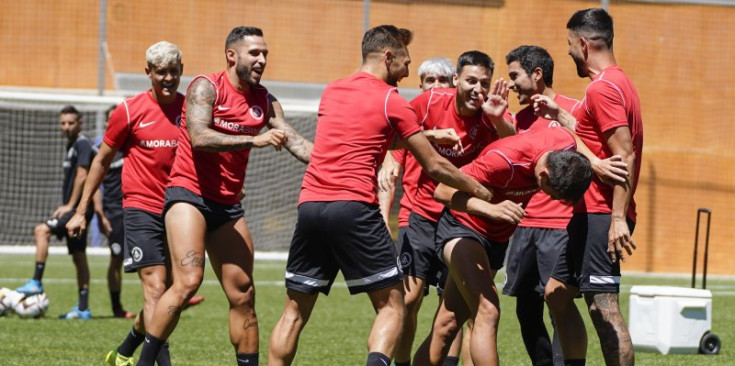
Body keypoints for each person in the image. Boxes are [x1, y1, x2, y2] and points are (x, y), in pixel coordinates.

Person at [267, 25, 495, 366]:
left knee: (295, 311)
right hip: (354, 208)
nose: (406, 72)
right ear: (388, 57)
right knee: (394, 306)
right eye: (405, 62)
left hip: (311, 205)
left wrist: (429, 133)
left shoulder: (333, 91)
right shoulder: (392, 100)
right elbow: (434, 166)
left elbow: (370, 137)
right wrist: (478, 188)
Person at [133, 27, 313, 366]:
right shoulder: (207, 87)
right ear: (232, 55)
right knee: (188, 281)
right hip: (189, 195)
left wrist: (344, 163)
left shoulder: (265, 100)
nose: (262, 60)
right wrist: (253, 140)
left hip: (228, 205)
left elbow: (294, 141)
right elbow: (200, 137)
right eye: (254, 53)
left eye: (265, 54)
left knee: (244, 293)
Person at [67, 41, 200, 366]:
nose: (168, 78)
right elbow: (101, 161)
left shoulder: (191, 111)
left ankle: (126, 349)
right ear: (148, 73)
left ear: (181, 70)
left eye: (173, 71)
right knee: (155, 291)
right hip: (141, 209)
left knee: (171, 297)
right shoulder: (128, 110)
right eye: (160, 72)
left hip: (180, 211)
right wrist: (81, 211)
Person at [414, 127, 594, 366]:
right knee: (488, 311)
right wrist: (492, 209)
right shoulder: (503, 160)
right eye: (552, 193)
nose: (550, 198)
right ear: (543, 176)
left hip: (496, 239)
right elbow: (443, 191)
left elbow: (571, 136)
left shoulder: (563, 142)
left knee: (447, 325)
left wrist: (596, 162)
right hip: (462, 228)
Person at [380, 50, 514, 366]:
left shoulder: (491, 114)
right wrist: (387, 160)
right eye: (470, 80)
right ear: (456, 81)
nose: (477, 89)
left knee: (458, 307)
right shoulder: (428, 103)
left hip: (463, 221)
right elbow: (388, 133)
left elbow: (515, 146)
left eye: (484, 82)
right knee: (408, 298)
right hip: (421, 213)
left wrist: (497, 119)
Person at [532, 8, 643, 366]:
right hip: (588, 213)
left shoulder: (602, 89)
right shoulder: (615, 82)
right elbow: (594, 139)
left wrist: (617, 218)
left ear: (583, 43)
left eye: (569, 45)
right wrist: (561, 115)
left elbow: (624, 154)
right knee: (557, 294)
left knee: (604, 308)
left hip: (600, 215)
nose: (567, 53)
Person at [501, 45, 580, 366]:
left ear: (537, 74)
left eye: (515, 75)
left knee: (559, 303)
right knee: (525, 307)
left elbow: (595, 146)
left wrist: (564, 118)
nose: (510, 84)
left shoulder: (573, 108)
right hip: (524, 226)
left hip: (561, 226)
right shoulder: (519, 119)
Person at [16, 105, 100, 320]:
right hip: (80, 208)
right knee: (79, 257)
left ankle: (36, 281)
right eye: (63, 123)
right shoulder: (72, 145)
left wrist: (71, 206)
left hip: (77, 209)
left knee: (41, 231)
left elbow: (83, 175)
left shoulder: (82, 143)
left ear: (80, 122)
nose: (66, 127)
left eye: (71, 122)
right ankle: (83, 309)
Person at [99, 104, 134, 320]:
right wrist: (100, 214)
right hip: (113, 212)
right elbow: (94, 183)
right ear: (106, 123)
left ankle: (170, 300)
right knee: (116, 258)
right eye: (112, 119)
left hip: (136, 208)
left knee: (154, 256)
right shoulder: (102, 150)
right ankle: (116, 307)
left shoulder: (132, 145)